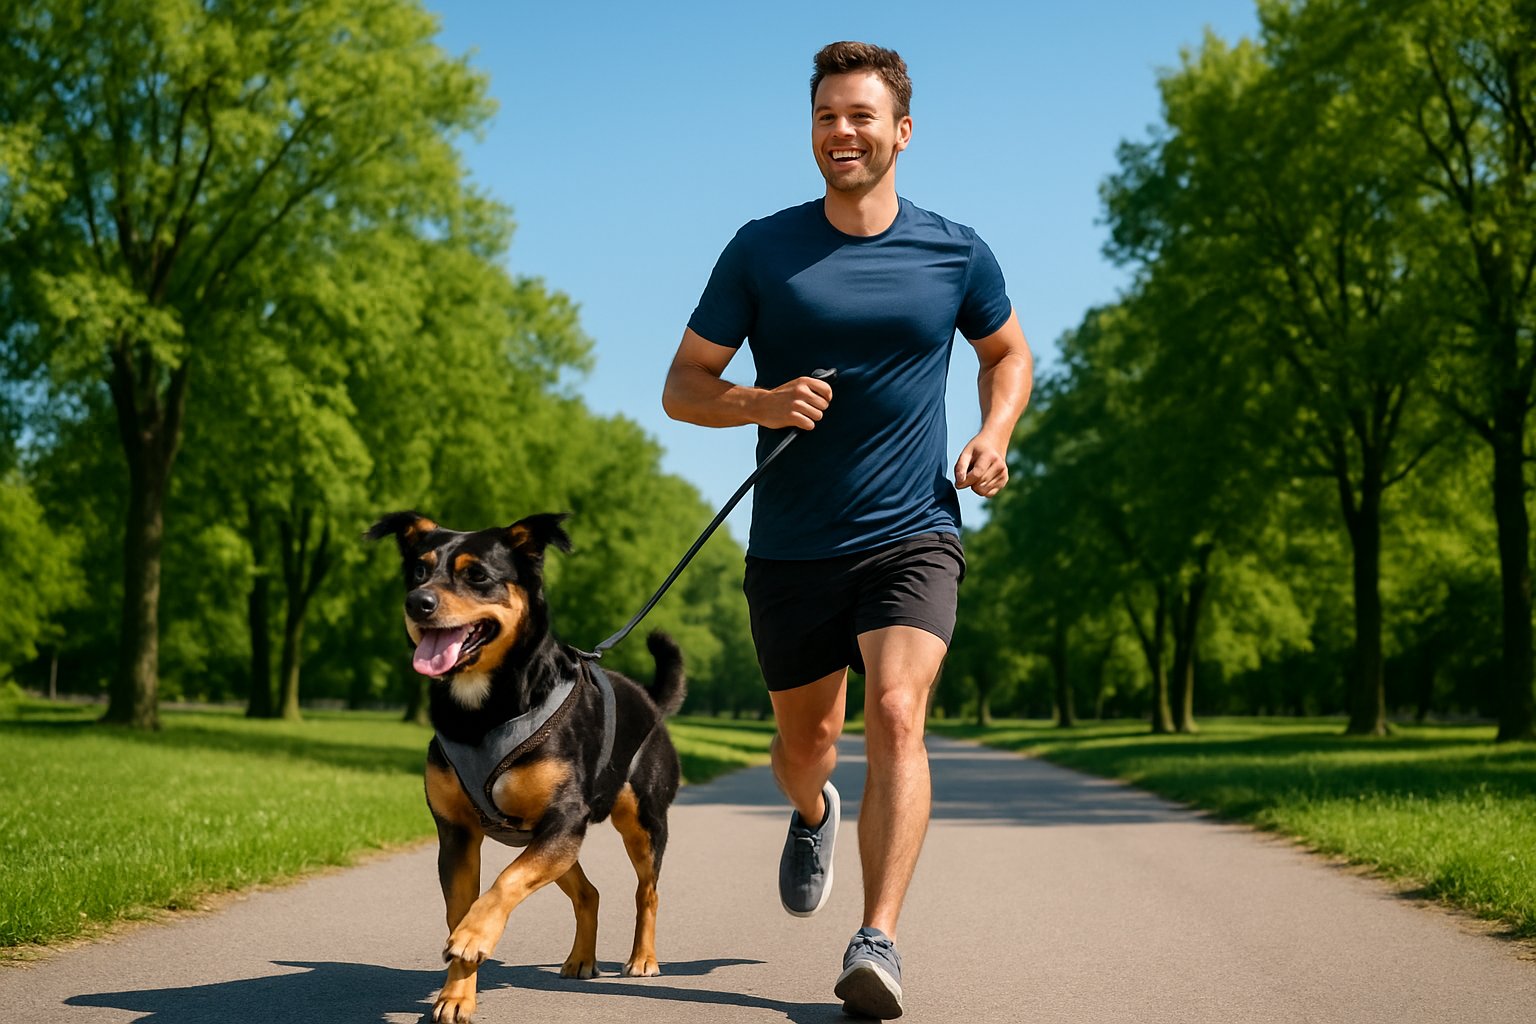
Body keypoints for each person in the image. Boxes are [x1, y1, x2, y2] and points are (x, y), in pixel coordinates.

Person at [661, 40, 1032, 1020]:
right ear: (813, 132)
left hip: (913, 530)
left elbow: (1008, 353)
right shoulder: (761, 249)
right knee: (805, 747)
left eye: (861, 115)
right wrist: (762, 402)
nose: (843, 132)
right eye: (828, 116)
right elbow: (682, 386)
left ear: (901, 132)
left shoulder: (956, 250)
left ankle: (879, 939)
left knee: (900, 714)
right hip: (791, 545)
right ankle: (812, 813)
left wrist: (996, 432)